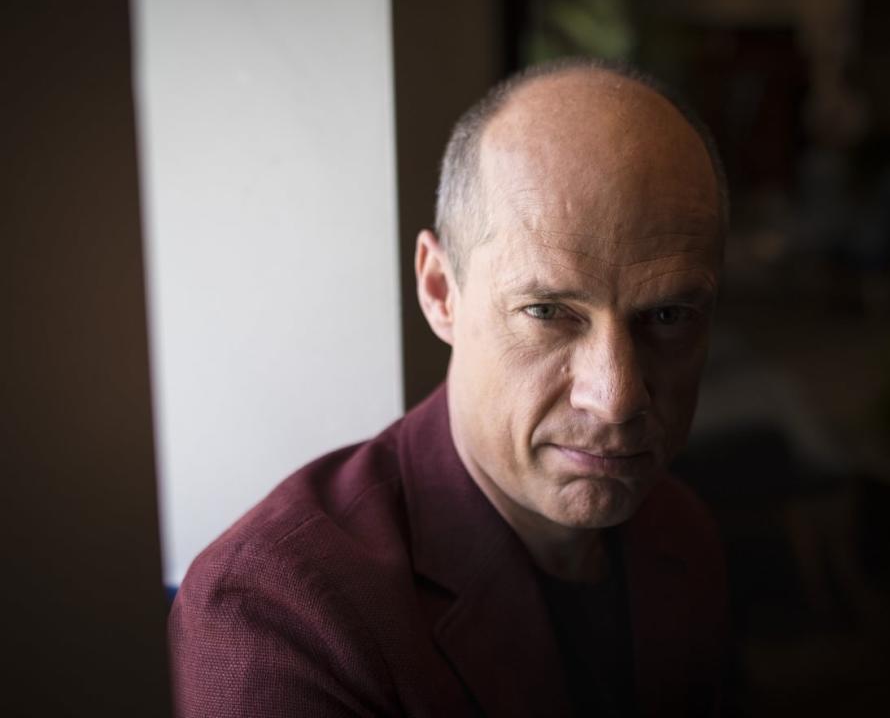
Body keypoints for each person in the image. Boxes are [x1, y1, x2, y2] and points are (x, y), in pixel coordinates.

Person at [170, 57, 729, 717]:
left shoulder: (679, 528)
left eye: (667, 316)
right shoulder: (278, 618)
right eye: (548, 312)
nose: (615, 399)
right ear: (440, 290)